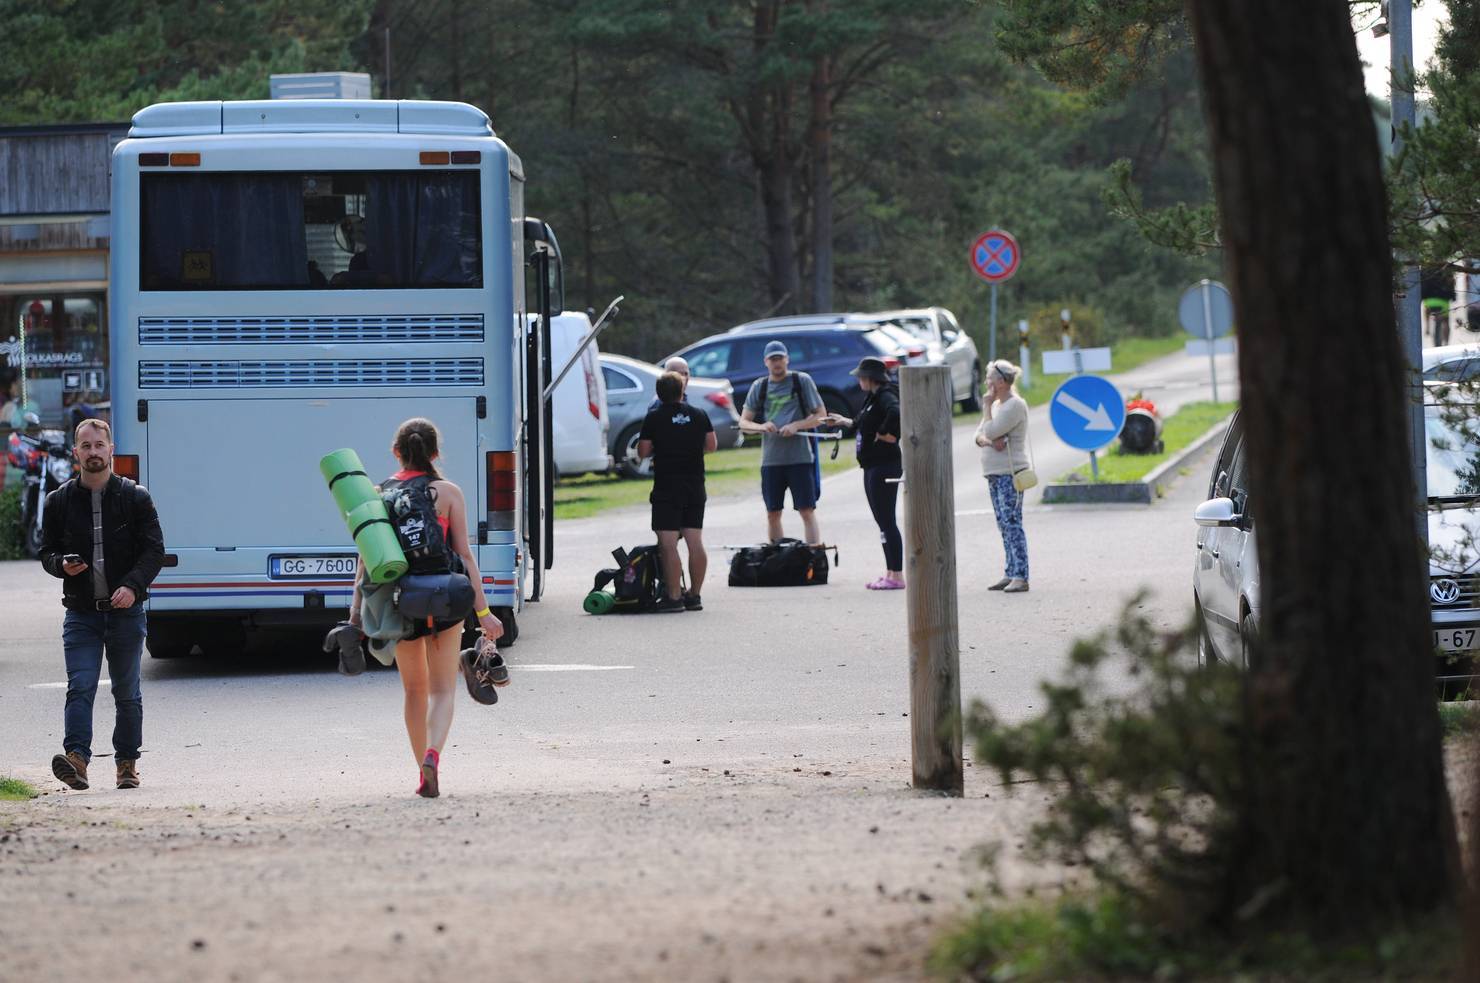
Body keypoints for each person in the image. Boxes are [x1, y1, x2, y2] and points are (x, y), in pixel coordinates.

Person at [349, 418, 504, 798]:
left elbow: (366, 563)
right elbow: (465, 555)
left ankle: (422, 770)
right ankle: (435, 754)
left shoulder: (378, 494)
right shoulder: (449, 493)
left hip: (401, 602)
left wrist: (355, 615)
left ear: (396, 451)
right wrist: (485, 614)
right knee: (442, 691)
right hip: (447, 598)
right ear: (435, 453)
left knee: (414, 691)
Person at [38, 418, 165, 791]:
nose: (93, 452)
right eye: (86, 446)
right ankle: (76, 759)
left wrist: (132, 585)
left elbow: (154, 550)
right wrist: (61, 565)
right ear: (75, 452)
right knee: (80, 685)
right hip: (81, 613)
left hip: (126, 612)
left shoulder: (134, 496)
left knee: (126, 692)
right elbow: (46, 552)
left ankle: (127, 764)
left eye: (99, 445)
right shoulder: (58, 501)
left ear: (111, 449)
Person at [638, 370, 718, 612]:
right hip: (694, 485)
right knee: (695, 541)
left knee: (668, 543)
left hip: (667, 487)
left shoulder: (654, 417)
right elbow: (711, 446)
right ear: (682, 391)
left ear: (659, 394)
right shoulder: (699, 414)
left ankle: (673, 597)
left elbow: (642, 451)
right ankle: (695, 595)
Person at [823, 357, 903, 590]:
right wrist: (843, 421)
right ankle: (890, 571)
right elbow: (863, 421)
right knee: (882, 521)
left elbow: (896, 413)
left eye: (861, 376)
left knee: (887, 520)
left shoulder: (886, 395)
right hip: (871, 465)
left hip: (884, 464)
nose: (858, 380)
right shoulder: (873, 397)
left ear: (870, 378)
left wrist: (887, 434)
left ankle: (897, 575)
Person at [739, 340, 828, 544]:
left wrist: (796, 425)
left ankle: (813, 560)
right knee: (773, 512)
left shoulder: (801, 381)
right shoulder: (759, 386)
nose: (777, 363)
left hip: (800, 458)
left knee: (806, 510)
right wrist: (761, 426)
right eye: (773, 359)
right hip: (772, 460)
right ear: (766, 362)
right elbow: (744, 422)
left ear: (787, 359)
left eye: (780, 358)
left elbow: (821, 415)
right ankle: (776, 560)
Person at [974, 359, 1031, 593]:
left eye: (989, 378)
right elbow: (980, 435)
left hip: (1010, 472)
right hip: (994, 474)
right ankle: (1009, 571)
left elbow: (989, 429)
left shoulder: (1013, 406)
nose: (986, 382)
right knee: (1002, 524)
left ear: (1001, 381)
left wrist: (987, 411)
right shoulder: (996, 406)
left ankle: (1021, 575)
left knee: (1012, 523)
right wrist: (989, 440)